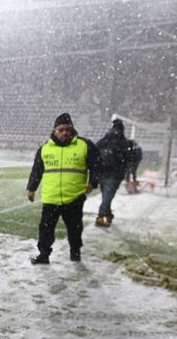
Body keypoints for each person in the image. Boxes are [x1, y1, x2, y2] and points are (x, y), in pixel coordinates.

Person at [26, 113, 102, 263]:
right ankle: (44, 255)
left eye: (67, 129)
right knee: (45, 229)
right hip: (51, 197)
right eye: (61, 129)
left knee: (74, 229)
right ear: (55, 130)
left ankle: (75, 251)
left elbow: (97, 165)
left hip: (74, 197)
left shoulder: (84, 145)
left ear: (72, 129)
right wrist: (31, 189)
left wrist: (92, 182)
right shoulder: (45, 148)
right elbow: (37, 170)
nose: (64, 133)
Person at [94, 118, 132, 226]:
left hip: (103, 173)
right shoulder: (124, 143)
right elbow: (129, 159)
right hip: (115, 174)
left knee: (106, 196)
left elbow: (94, 153)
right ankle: (105, 215)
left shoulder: (104, 140)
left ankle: (102, 216)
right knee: (107, 196)